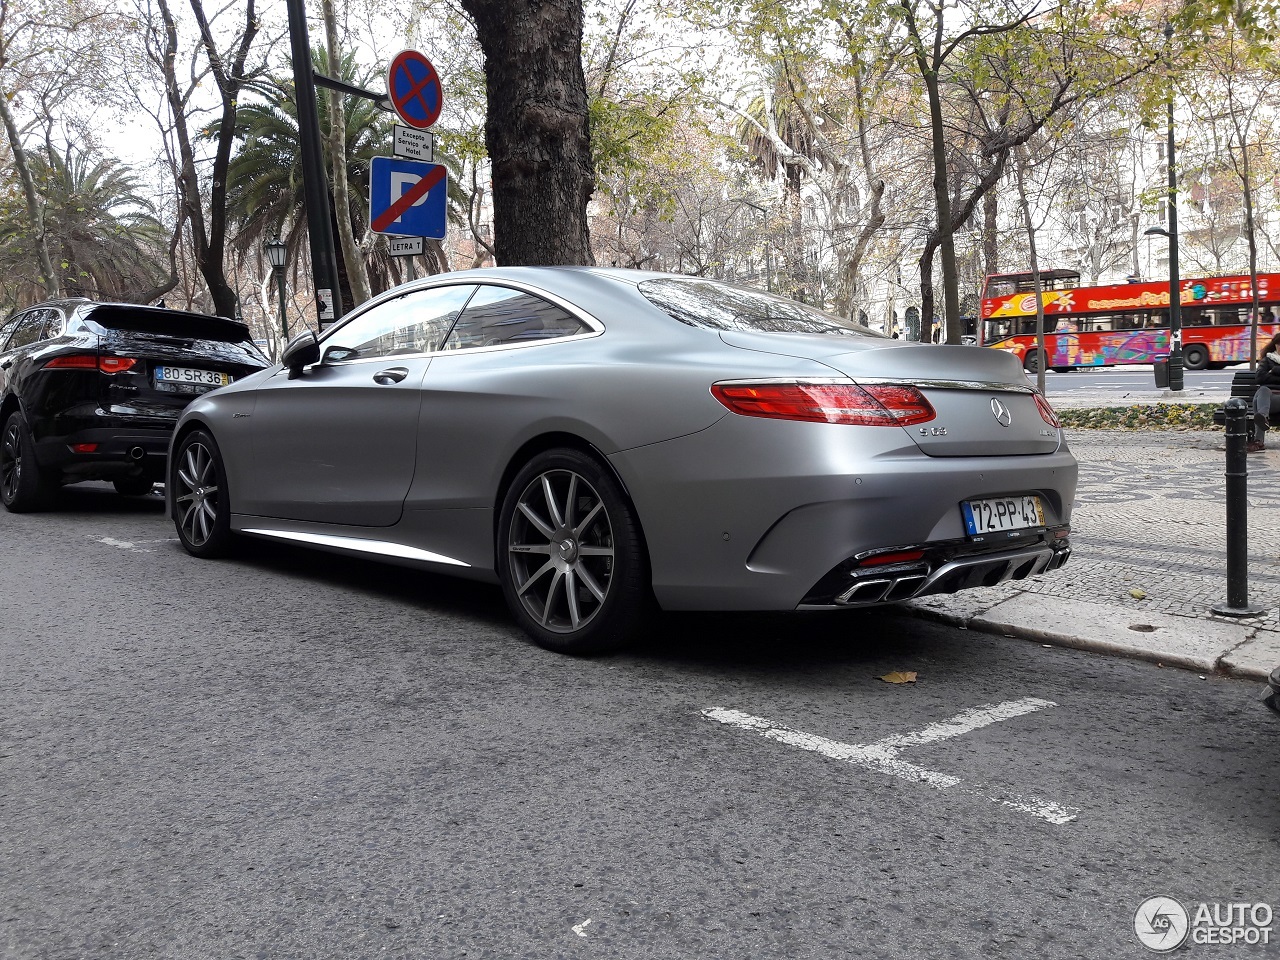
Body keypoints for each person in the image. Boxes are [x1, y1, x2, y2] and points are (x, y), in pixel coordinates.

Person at [1249, 332, 1280, 451]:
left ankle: (1259, 441)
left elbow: (1265, 377)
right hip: (1269, 397)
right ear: (1275, 345)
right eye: (1278, 344)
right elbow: (1260, 378)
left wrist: (1274, 370)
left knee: (1260, 399)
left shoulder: (1270, 364)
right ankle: (1263, 417)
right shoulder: (1267, 360)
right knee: (1263, 391)